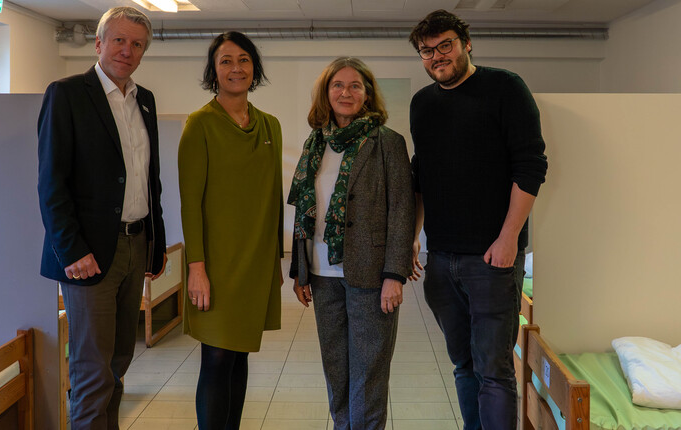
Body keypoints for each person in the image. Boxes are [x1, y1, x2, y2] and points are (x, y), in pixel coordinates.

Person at [407, 9, 548, 430]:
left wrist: (508, 239)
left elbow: (531, 166)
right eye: (426, 51)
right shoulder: (422, 104)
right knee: (464, 364)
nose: (437, 56)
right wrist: (414, 237)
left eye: (445, 45)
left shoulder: (504, 88)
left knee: (494, 370)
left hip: (492, 260)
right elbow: (422, 175)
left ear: (466, 43)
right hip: (441, 259)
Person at [36, 6, 165, 430]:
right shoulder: (67, 94)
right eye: (119, 40)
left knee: (119, 361)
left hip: (135, 244)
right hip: (88, 254)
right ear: (98, 43)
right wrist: (72, 250)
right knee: (92, 369)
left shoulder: (143, 101)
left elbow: (151, 181)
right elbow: (51, 183)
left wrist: (156, 244)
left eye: (137, 44)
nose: (127, 51)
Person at [287, 57, 413, 430]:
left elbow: (402, 211)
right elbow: (304, 210)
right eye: (338, 85)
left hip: (371, 275)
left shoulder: (387, 143)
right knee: (336, 366)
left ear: (368, 94)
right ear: (326, 94)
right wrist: (300, 269)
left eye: (355, 85)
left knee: (369, 369)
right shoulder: (315, 143)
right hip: (322, 273)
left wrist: (395, 274)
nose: (346, 92)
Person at [177, 31, 283, 430]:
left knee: (240, 355)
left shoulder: (270, 125)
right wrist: (197, 268)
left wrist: (274, 259)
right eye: (225, 61)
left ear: (254, 68)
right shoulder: (199, 124)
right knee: (217, 357)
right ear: (213, 70)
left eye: (243, 59)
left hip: (255, 262)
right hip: (217, 265)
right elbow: (191, 203)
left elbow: (273, 198)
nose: (235, 68)